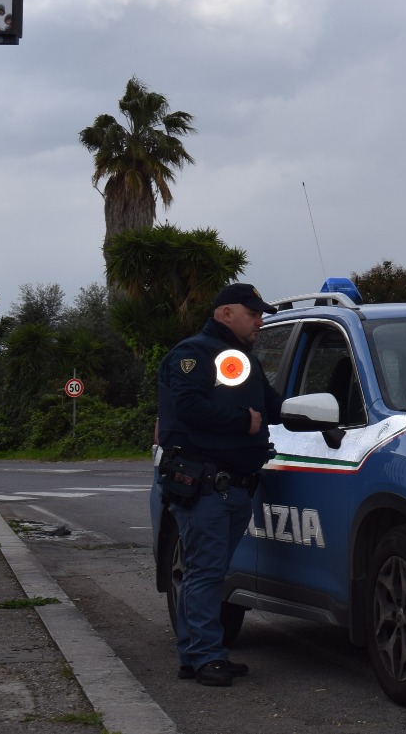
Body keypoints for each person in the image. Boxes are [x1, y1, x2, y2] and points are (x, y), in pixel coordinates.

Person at [156, 283, 284, 687]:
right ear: (226, 313)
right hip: (207, 485)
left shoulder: (245, 359)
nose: (260, 321)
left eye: (261, 314)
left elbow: (274, 407)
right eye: (253, 313)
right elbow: (187, 406)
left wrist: (323, 405)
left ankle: (198, 656)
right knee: (205, 573)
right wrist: (240, 422)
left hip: (236, 487)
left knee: (211, 573)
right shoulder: (192, 353)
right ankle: (203, 657)